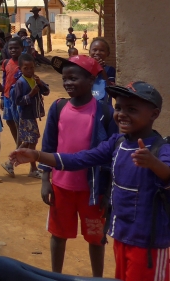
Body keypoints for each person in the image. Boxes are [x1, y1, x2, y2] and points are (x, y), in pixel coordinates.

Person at [11, 81, 170, 281]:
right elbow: (80, 159)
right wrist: (37, 155)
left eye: (132, 109)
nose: (121, 114)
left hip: (149, 243)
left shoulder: (161, 149)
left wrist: (153, 163)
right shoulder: (118, 143)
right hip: (122, 236)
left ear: (154, 114)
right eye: (118, 107)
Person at [41, 55, 116, 278]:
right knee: (58, 235)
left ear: (91, 80)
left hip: (92, 191)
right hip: (61, 187)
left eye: (74, 78)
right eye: (65, 79)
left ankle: (97, 277)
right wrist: (46, 180)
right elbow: (48, 144)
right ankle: (56, 275)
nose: (67, 83)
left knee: (96, 238)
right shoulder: (58, 107)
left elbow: (111, 156)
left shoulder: (105, 113)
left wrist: (107, 191)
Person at [13, 54, 50, 179]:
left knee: (30, 141)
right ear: (20, 69)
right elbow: (18, 101)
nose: (29, 71)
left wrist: (40, 84)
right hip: (26, 116)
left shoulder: (35, 79)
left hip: (32, 115)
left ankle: (11, 162)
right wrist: (31, 94)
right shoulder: (20, 82)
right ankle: (32, 169)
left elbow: (46, 91)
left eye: (32, 68)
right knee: (32, 141)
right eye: (26, 68)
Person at [1, 36, 24, 168]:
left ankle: (18, 149)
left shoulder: (24, 63)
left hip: (19, 99)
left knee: (19, 123)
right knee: (10, 122)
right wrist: (2, 98)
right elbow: (5, 80)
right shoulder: (5, 62)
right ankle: (18, 144)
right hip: (7, 97)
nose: (13, 50)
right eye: (11, 48)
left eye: (16, 48)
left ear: (22, 49)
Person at [90, 38, 117, 103]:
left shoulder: (110, 70)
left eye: (102, 50)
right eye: (94, 50)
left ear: (108, 53)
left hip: (103, 105)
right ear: (90, 51)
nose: (97, 53)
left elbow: (110, 88)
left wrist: (101, 69)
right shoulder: (83, 68)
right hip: (86, 105)